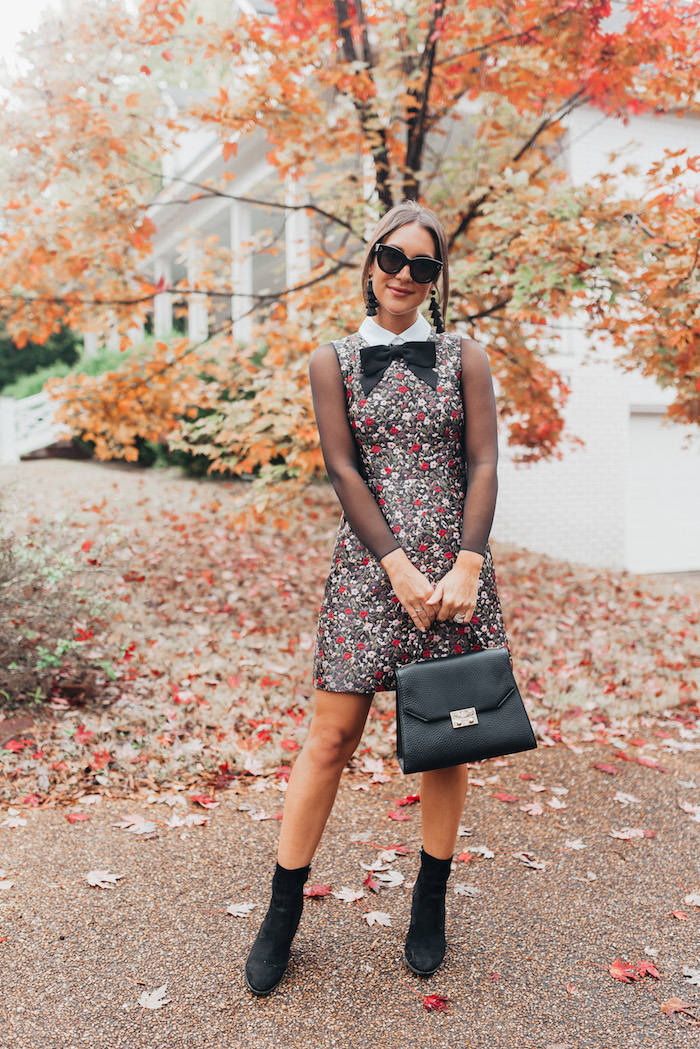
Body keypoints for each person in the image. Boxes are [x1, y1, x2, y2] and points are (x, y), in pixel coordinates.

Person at [244, 199, 510, 996]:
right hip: (370, 568)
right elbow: (343, 470)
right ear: (370, 263)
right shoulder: (333, 359)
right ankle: (281, 913)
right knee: (331, 737)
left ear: (436, 280)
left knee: (448, 737)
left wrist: (467, 563)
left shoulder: (468, 357)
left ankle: (430, 901)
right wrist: (395, 563)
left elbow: (486, 463)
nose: (404, 274)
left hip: (458, 570)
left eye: (422, 265)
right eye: (392, 258)